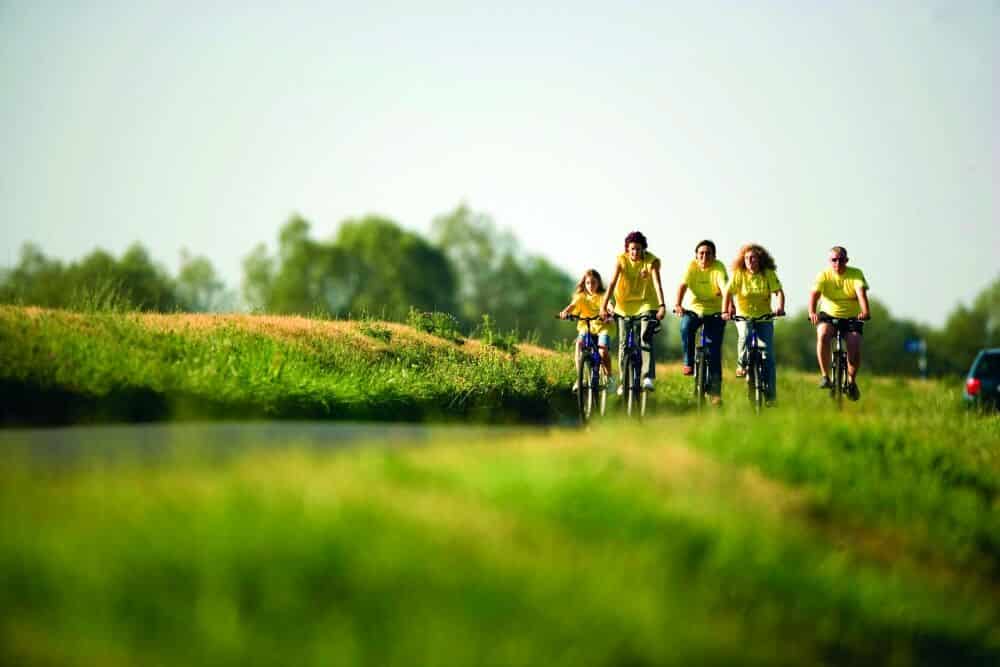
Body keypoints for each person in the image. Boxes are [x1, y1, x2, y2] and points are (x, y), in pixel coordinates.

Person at [601, 230, 667, 394]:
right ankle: (624, 383)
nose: (635, 252)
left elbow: (657, 284)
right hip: (623, 305)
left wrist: (662, 305)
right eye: (632, 249)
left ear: (643, 249)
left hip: (646, 303)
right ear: (627, 249)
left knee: (645, 337)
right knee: (623, 344)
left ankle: (647, 377)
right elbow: (611, 283)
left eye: (638, 249)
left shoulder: (651, 261)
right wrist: (603, 306)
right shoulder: (621, 261)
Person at [722, 243, 785, 406]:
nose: (750, 261)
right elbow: (728, 293)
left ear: (759, 259)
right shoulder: (739, 274)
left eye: (753, 258)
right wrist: (725, 311)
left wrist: (780, 307)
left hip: (764, 317)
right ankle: (741, 365)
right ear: (743, 260)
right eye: (747, 258)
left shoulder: (768, 274)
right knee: (745, 335)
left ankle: (771, 396)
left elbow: (778, 292)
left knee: (768, 355)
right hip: (744, 316)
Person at [808, 246, 871, 400]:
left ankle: (851, 381)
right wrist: (812, 312)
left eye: (841, 260)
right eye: (833, 260)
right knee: (822, 335)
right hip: (828, 315)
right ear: (829, 261)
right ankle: (825, 376)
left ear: (846, 260)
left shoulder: (856, 274)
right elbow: (814, 295)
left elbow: (861, 294)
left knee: (854, 343)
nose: (837, 263)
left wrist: (865, 312)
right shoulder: (823, 275)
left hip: (852, 317)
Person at [673, 240, 728, 405]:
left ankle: (715, 393)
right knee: (685, 327)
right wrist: (678, 304)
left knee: (714, 350)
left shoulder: (718, 268)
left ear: (714, 256)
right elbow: (682, 285)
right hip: (695, 309)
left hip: (716, 312)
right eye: (701, 253)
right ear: (696, 256)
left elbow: (726, 290)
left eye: (708, 253)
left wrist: (727, 309)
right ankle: (688, 361)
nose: (704, 256)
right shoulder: (692, 267)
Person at [559, 269, 613, 392]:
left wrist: (610, 314)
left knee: (603, 351)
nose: (590, 286)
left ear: (598, 283)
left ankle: (609, 377)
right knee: (579, 343)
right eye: (588, 283)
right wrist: (565, 313)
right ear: (584, 284)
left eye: (593, 282)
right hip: (586, 326)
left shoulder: (602, 296)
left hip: (602, 327)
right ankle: (580, 378)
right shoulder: (581, 297)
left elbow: (609, 306)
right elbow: (572, 306)